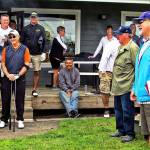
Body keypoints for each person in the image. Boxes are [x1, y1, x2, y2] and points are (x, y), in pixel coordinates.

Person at [110, 26, 138, 142]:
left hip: (127, 85)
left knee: (127, 111)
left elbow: (138, 68)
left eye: (119, 34)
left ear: (126, 35)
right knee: (118, 110)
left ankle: (130, 133)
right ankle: (121, 130)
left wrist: (134, 87)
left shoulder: (133, 47)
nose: (117, 36)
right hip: (117, 85)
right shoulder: (121, 46)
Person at [0, 30, 30, 129]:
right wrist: (8, 74)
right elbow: (3, 64)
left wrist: (18, 75)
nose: (12, 38)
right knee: (5, 99)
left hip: (19, 78)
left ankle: (20, 119)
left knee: (19, 100)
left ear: (18, 37)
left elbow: (26, 64)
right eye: (10, 37)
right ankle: (4, 119)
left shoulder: (24, 49)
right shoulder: (6, 49)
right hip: (7, 78)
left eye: (14, 36)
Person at [88, 25, 118, 117]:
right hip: (105, 69)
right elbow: (99, 48)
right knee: (105, 90)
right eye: (108, 30)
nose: (109, 32)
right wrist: (94, 55)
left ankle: (118, 109)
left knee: (117, 90)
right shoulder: (104, 39)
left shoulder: (116, 41)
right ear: (106, 31)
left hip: (116, 69)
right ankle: (106, 109)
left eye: (110, 30)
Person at [131, 11, 150, 144]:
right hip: (143, 95)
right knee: (146, 132)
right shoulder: (143, 44)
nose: (138, 25)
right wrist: (134, 88)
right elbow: (139, 70)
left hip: (149, 95)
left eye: (141, 21)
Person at [21, 12, 46, 97]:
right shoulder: (25, 28)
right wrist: (22, 52)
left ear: (37, 18)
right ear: (30, 18)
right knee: (23, 71)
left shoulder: (41, 28)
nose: (33, 19)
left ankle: (34, 90)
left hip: (37, 54)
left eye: (35, 17)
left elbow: (44, 41)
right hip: (26, 53)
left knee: (37, 71)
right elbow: (21, 41)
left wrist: (43, 52)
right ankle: (21, 88)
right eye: (32, 17)